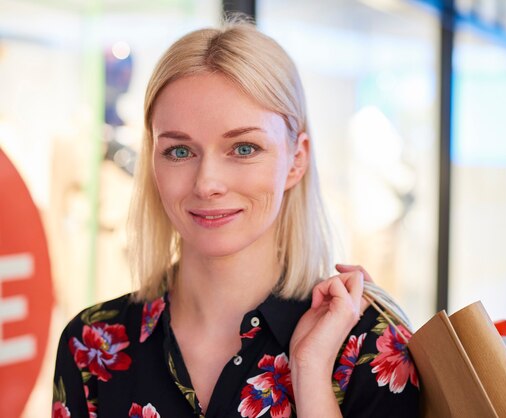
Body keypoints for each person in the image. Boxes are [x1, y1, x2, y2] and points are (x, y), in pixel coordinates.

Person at [52, 18, 420, 418]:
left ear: (297, 159)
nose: (207, 183)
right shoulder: (92, 345)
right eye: (179, 151)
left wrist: (310, 373)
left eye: (243, 148)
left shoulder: (371, 348)